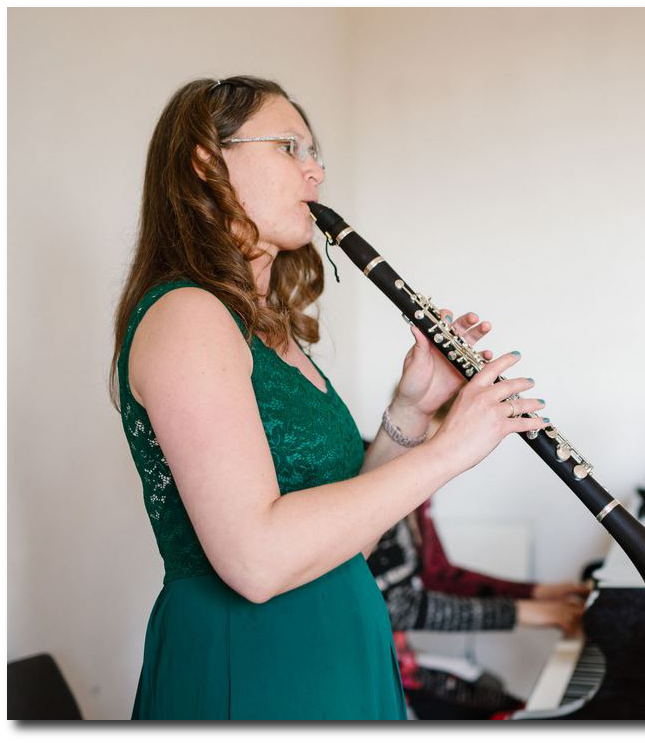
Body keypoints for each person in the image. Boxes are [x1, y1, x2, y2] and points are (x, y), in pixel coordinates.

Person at [111, 75, 546, 720]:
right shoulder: (187, 316)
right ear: (206, 161)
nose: (314, 173)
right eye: (290, 147)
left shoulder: (268, 327)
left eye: (316, 155)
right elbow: (256, 561)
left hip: (338, 643)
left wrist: (412, 411)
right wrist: (451, 450)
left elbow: (350, 537)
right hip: (257, 662)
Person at [365, 398, 589, 719]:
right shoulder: (376, 473)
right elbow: (396, 607)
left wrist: (540, 593)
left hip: (398, 661)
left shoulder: (415, 480)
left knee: (500, 697)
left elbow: (438, 574)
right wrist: (524, 612)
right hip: (380, 674)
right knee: (510, 712)